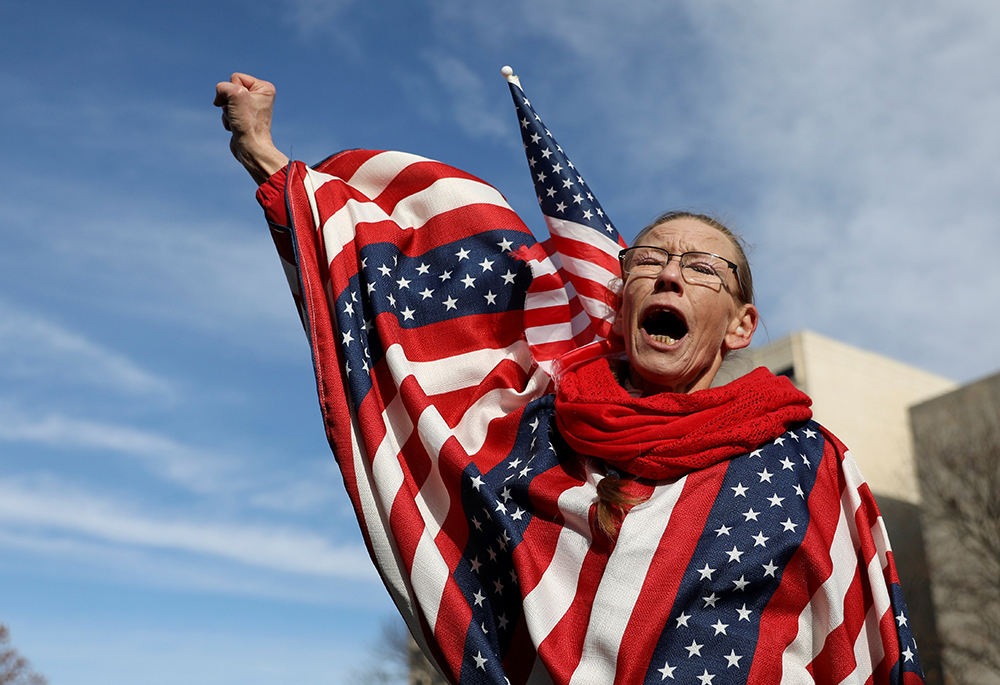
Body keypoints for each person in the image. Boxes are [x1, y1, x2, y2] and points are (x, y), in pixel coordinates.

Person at [216, 73, 926, 684]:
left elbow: (868, 646)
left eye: (704, 267)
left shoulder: (807, 461)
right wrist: (266, 159)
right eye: (650, 259)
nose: (671, 272)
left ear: (741, 326)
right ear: (620, 298)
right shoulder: (538, 436)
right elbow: (391, 316)